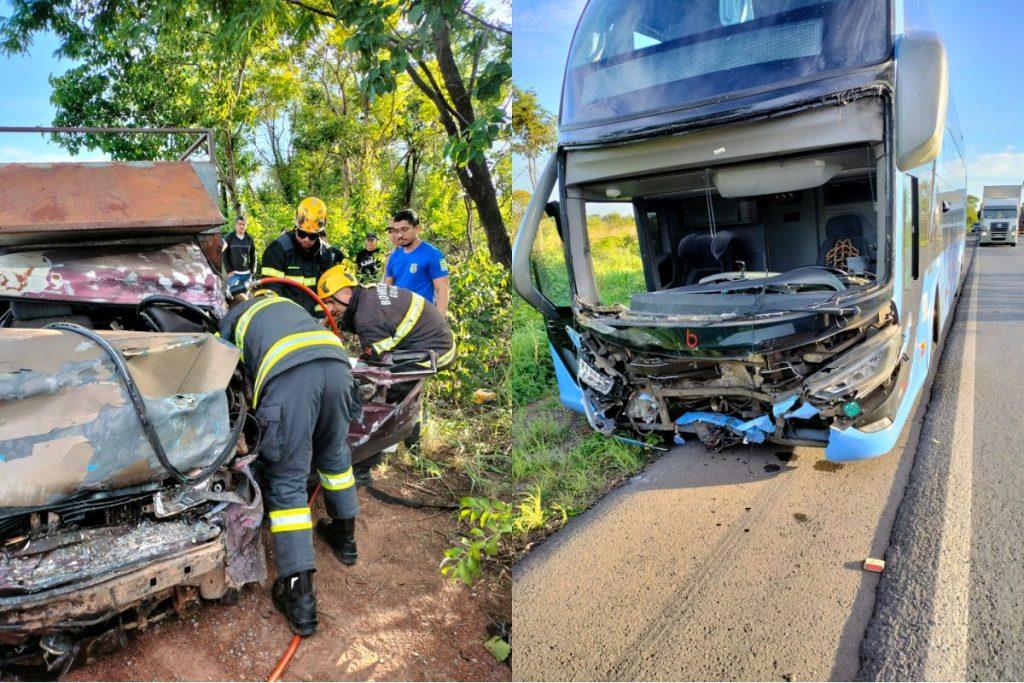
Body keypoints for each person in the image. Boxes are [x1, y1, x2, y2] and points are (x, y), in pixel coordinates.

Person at [219, 290, 361, 636]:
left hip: (292, 381)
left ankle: (300, 598)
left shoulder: (230, 321)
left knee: (286, 482)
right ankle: (345, 538)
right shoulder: (285, 306)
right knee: (334, 455)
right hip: (338, 367)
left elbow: (223, 380)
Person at [317, 265, 455, 370]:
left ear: (346, 293)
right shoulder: (368, 293)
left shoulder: (367, 319)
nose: (329, 309)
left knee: (382, 381)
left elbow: (379, 362)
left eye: (331, 302)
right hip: (437, 338)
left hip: (438, 352)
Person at [260, 197, 335, 316]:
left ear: (319, 233)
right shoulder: (278, 250)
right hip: (286, 318)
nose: (306, 239)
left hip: (314, 320)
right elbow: (272, 291)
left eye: (312, 236)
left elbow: (326, 294)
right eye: (302, 233)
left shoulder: (325, 253)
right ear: (296, 227)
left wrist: (320, 321)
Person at [384, 209, 450, 316]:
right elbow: (387, 290)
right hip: (397, 319)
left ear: (417, 228)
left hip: (422, 319)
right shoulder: (394, 257)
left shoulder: (433, 254)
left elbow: (442, 290)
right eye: (396, 231)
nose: (400, 235)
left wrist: (439, 323)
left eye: (404, 229)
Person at [222, 215, 256, 292]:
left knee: (245, 298)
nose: (241, 226)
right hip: (234, 274)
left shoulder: (249, 238)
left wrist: (252, 270)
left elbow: (253, 254)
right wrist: (229, 270)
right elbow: (224, 254)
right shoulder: (229, 237)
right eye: (240, 224)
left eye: (243, 224)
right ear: (235, 225)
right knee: (232, 297)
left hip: (247, 274)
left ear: (246, 226)